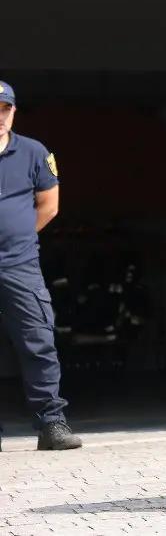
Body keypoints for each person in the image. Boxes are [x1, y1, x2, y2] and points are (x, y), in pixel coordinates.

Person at [0, 81, 81, 452]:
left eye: (6, 109)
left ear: (14, 111)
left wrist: (17, 236)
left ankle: (51, 424)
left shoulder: (34, 152)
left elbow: (49, 206)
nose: (1, 117)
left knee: (38, 342)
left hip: (20, 265)